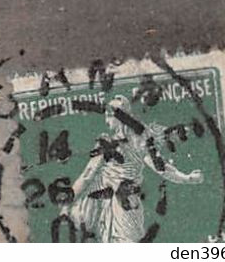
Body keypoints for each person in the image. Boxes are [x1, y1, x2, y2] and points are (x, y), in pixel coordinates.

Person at [61, 94, 205, 242]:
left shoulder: (138, 141)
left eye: (110, 116)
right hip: (104, 203)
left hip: (124, 204)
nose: (106, 120)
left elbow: (161, 167)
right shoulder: (110, 141)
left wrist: (185, 178)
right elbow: (88, 174)